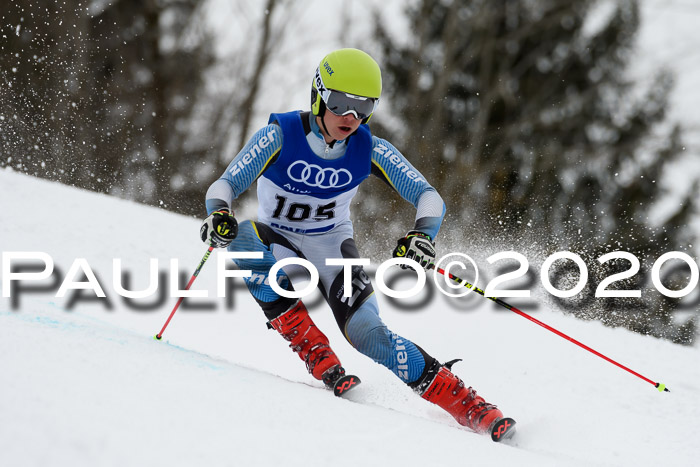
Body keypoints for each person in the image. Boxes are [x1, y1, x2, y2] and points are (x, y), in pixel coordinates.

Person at [201, 48, 508, 435]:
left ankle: (469, 405)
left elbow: (428, 197)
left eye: (364, 107)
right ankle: (315, 350)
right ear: (318, 95)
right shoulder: (280, 135)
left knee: (369, 335)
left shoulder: (369, 149)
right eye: (342, 102)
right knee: (243, 239)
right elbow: (226, 183)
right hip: (278, 238)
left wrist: (422, 235)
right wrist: (219, 214)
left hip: (331, 247)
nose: (351, 117)